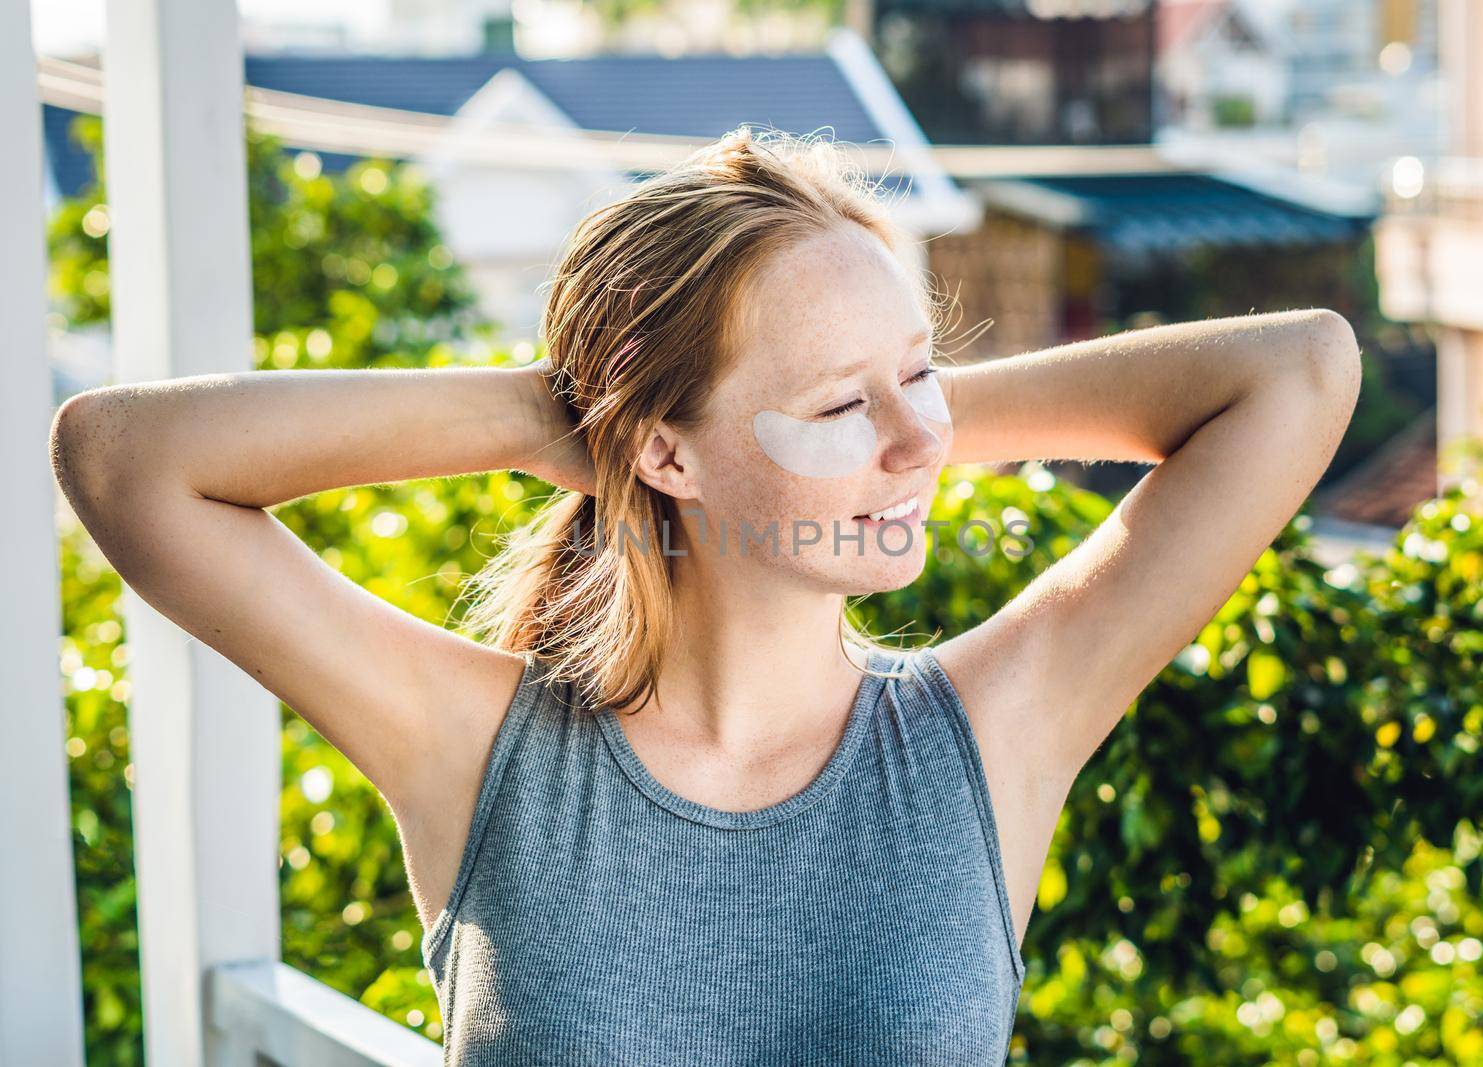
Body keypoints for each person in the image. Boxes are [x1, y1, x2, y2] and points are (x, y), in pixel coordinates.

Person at [49, 125, 1361, 1065]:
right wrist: (563, 414)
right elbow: (122, 460)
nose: (919, 440)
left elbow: (1300, 370)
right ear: (663, 453)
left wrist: (881, 423)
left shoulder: (995, 726)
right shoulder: (480, 749)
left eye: (925, 371)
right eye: (843, 402)